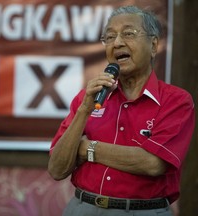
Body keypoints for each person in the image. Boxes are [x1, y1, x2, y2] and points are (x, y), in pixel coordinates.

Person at [48, 5, 195, 216]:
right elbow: (57, 168)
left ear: (153, 45)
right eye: (109, 37)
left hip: (143, 211)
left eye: (128, 33)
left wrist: (86, 149)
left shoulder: (176, 101)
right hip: (82, 208)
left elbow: (153, 163)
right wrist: (84, 111)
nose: (117, 43)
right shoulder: (88, 98)